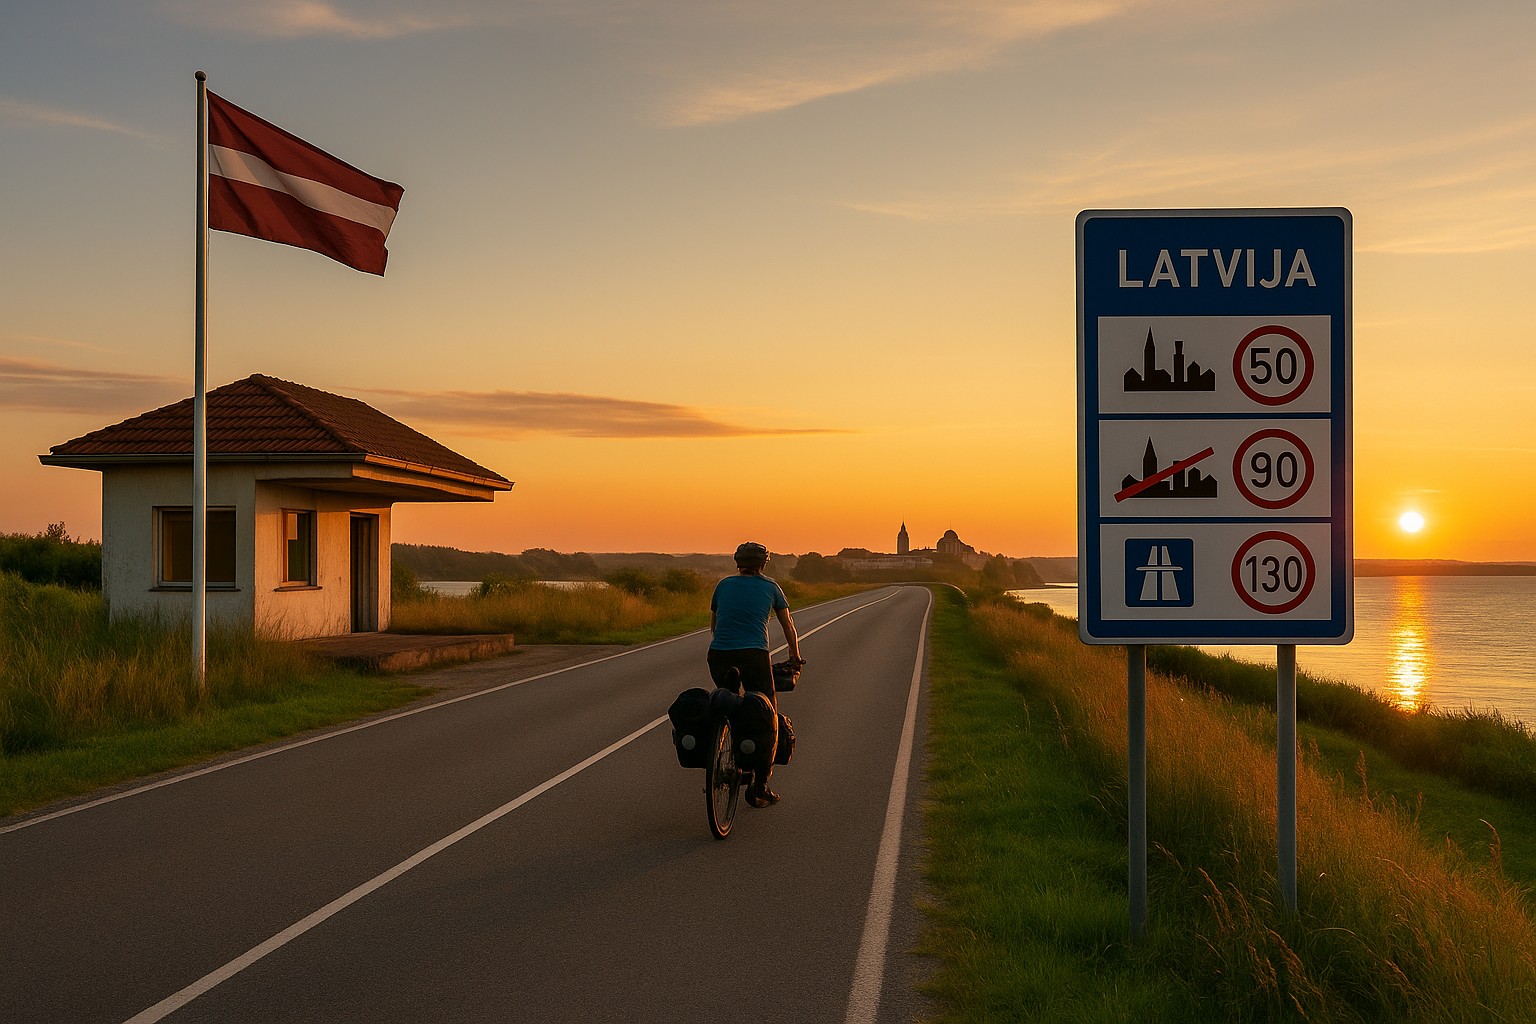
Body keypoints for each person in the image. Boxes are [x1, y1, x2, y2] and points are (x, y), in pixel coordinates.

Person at [708, 541, 802, 807]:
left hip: (719, 655)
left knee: (729, 699)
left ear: (737, 562)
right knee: (767, 713)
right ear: (763, 564)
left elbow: (715, 626)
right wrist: (795, 657)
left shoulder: (723, 585)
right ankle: (760, 786)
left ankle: (727, 742)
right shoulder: (771, 587)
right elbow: (788, 625)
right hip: (754, 655)